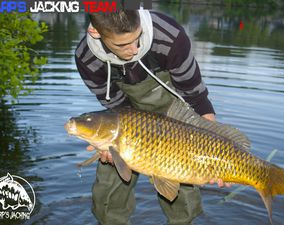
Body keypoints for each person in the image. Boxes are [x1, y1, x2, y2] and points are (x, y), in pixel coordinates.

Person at [75, 9, 228, 225]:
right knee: (109, 185)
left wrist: (217, 148)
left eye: (138, 37)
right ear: (95, 31)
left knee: (183, 182)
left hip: (176, 114)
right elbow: (118, 109)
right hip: (128, 119)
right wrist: (111, 146)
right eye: (122, 45)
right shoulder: (87, 59)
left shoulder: (169, 36)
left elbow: (196, 96)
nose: (134, 49)